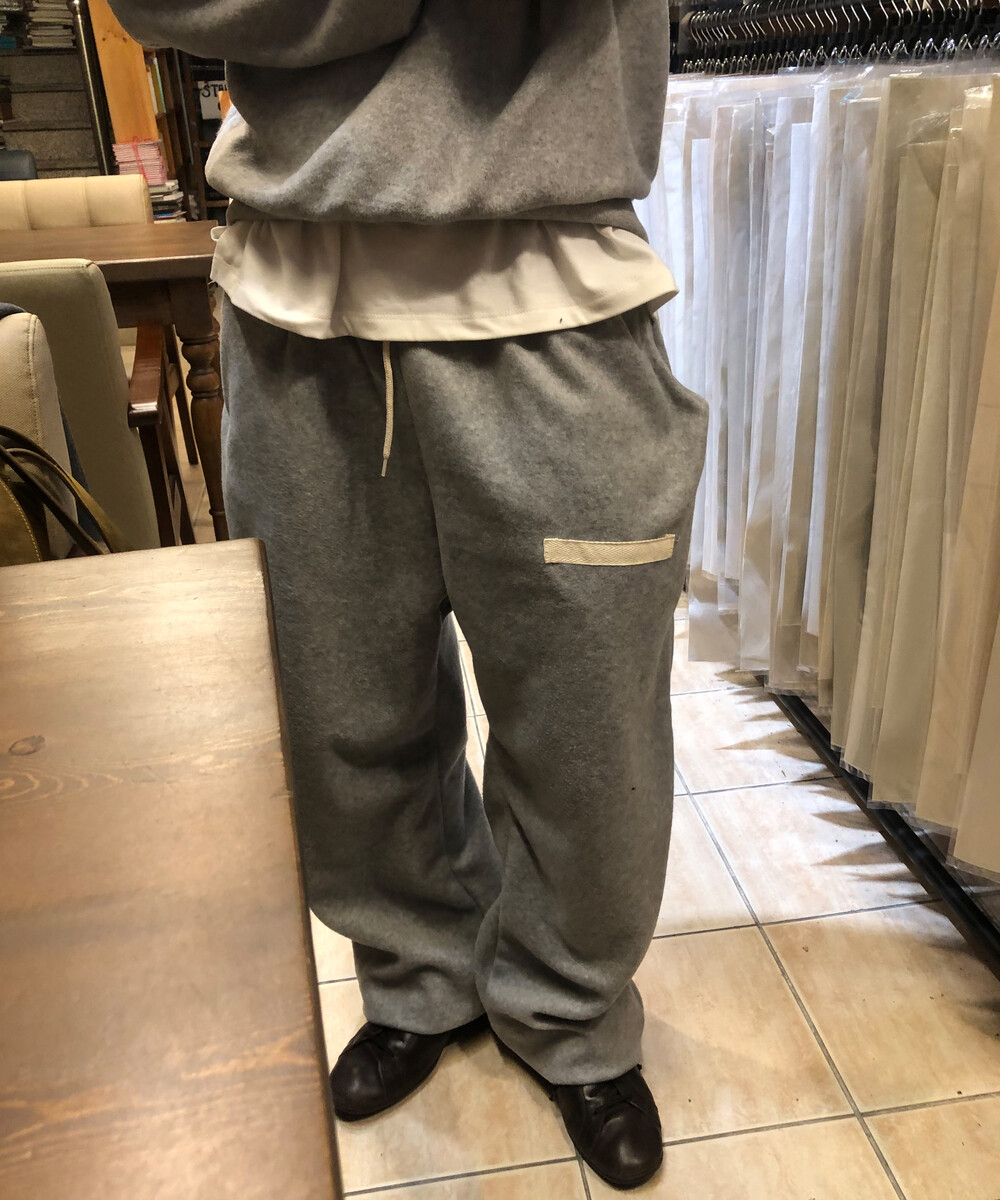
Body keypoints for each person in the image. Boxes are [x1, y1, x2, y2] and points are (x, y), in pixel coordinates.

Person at [108, 2, 708, 1189]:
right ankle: (417, 975)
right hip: (291, 309)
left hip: (553, 294)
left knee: (589, 734)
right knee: (341, 716)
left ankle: (568, 1009)